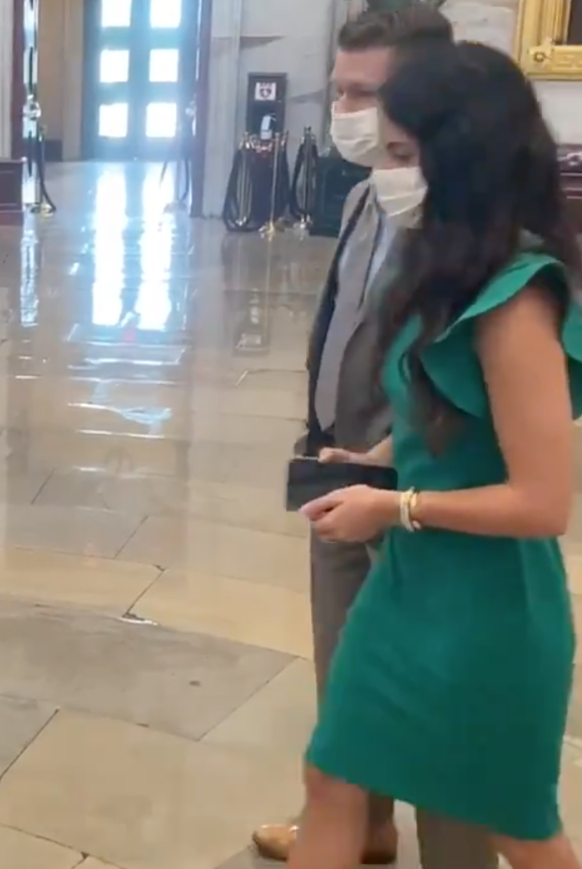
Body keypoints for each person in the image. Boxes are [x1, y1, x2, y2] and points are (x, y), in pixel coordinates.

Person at [292, 41, 582, 869]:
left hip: (487, 609)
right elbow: (440, 411)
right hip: (409, 591)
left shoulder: (518, 299)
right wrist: (379, 456)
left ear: (465, 160)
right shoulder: (445, 268)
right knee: (332, 775)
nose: (389, 173)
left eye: (404, 155)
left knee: (517, 825)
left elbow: (541, 500)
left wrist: (397, 505)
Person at [252, 8, 496, 868]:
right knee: (346, 674)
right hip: (339, 468)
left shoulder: (472, 229)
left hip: (421, 492)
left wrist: (396, 469)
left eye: (368, 92)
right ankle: (363, 823)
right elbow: (349, 325)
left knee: (433, 707)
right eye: (340, 89)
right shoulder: (362, 196)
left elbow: (477, 393)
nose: (347, 110)